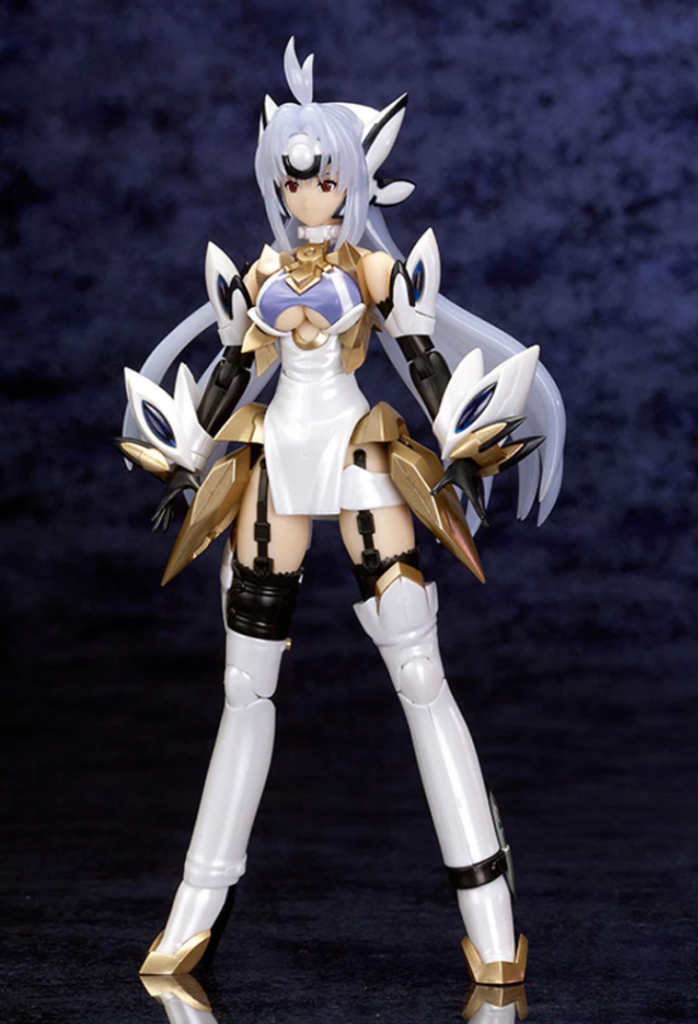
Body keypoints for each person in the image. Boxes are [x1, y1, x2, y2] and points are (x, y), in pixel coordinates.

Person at [118, 38, 565, 984]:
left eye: (322, 178)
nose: (306, 194)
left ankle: (492, 924)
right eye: (292, 180)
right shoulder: (258, 277)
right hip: (274, 458)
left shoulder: (370, 272)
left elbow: (424, 361)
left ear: (351, 180)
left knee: (418, 668)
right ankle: (193, 913)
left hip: (359, 453)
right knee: (245, 684)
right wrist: (188, 459)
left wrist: (461, 445)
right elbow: (229, 374)